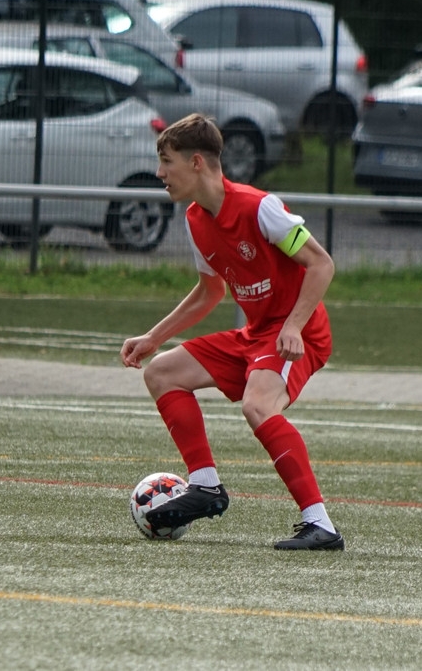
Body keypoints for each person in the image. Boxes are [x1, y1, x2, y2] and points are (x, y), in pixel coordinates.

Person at [120, 113, 343, 551]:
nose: (160, 173)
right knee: (162, 373)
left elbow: (322, 264)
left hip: (296, 334)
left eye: (167, 162)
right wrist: (154, 338)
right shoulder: (195, 219)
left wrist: (294, 325)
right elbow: (210, 292)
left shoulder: (260, 209)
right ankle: (205, 486)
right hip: (256, 335)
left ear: (196, 162)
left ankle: (321, 525)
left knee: (257, 405)